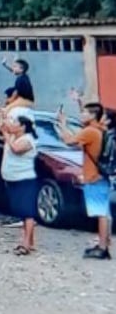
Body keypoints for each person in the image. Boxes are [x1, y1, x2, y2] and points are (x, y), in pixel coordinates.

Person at [56, 102, 111, 259]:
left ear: (93, 115)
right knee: (104, 212)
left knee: (100, 213)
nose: (81, 115)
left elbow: (68, 141)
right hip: (102, 176)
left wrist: (63, 123)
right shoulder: (100, 130)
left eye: (84, 113)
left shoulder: (90, 131)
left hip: (93, 176)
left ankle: (102, 248)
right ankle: (104, 243)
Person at [0, 108, 39, 256]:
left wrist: (6, 135)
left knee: (27, 212)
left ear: (23, 126)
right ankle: (30, 241)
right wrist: (0, 115)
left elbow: (16, 149)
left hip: (24, 179)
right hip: (13, 178)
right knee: (22, 212)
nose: (12, 124)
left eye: (15, 122)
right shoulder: (14, 136)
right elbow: (2, 126)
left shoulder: (27, 140)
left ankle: (26, 243)